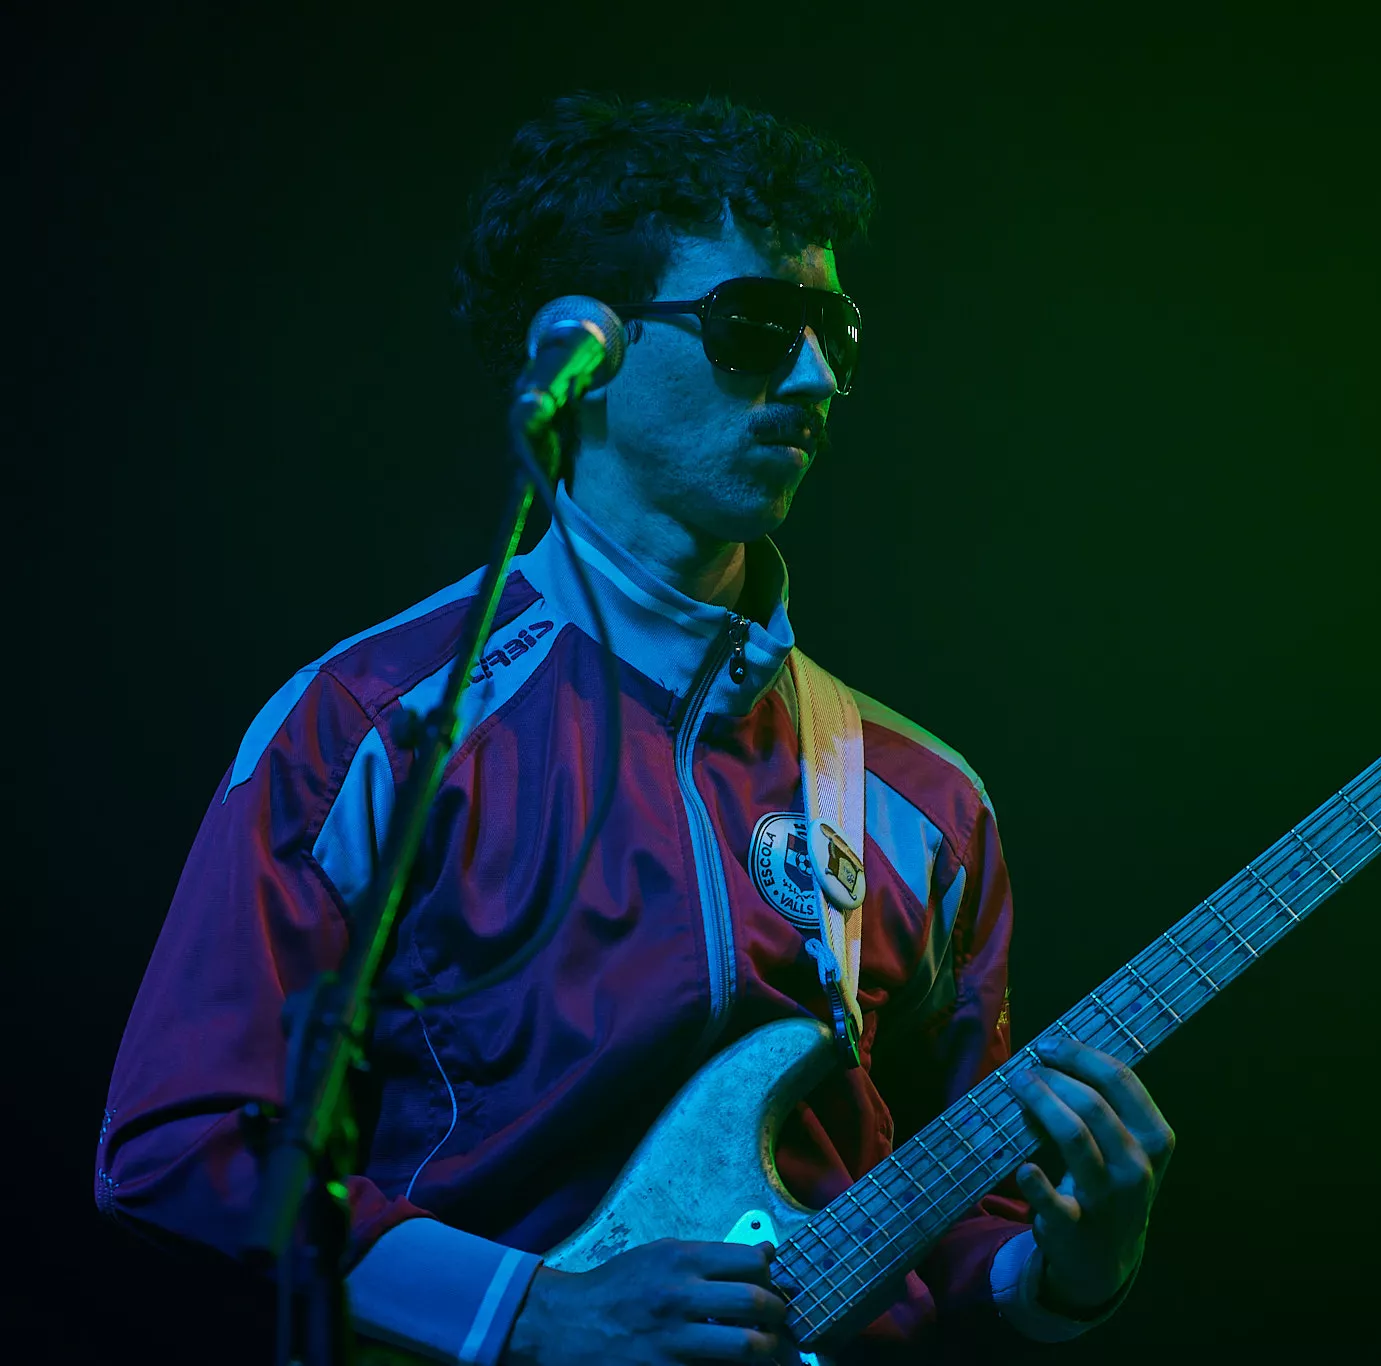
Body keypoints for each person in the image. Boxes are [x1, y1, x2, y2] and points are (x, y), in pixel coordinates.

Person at [97, 93, 1173, 1365]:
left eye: (834, 331)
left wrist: (1066, 1266)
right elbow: (183, 1145)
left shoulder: (926, 799)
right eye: (755, 325)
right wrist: (536, 1310)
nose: (814, 378)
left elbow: (949, 1219)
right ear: (585, 349)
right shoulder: (371, 725)